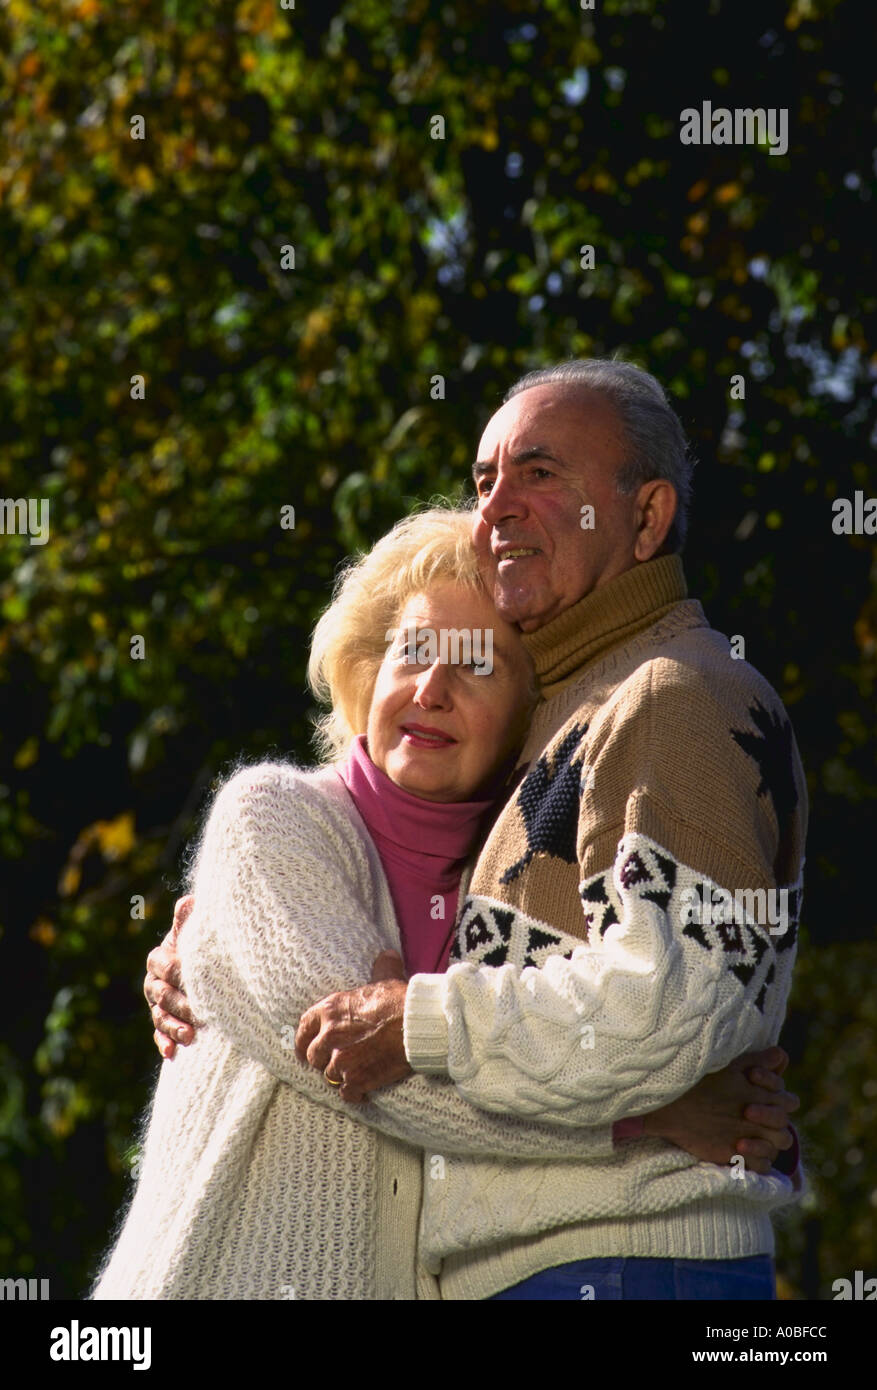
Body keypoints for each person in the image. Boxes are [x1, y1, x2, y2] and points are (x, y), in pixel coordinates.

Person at [99, 507, 795, 1301]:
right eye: (414, 654)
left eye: (476, 667)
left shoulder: (510, 892)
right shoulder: (274, 818)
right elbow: (366, 1071)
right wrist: (645, 1121)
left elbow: (563, 1038)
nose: (432, 689)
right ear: (370, 672)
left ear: (532, 717)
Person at [283, 359, 811, 1301]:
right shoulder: (562, 712)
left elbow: (658, 1012)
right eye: (484, 481)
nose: (495, 509)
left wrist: (416, 1019)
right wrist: (218, 921)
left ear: (646, 518)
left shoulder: (675, 692)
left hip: (621, 1260)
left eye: (539, 473)